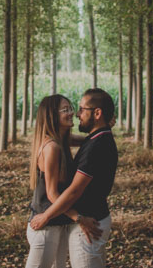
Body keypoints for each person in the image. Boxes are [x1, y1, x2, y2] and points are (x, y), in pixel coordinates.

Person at [30, 89, 118, 268]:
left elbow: (75, 190)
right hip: (51, 223)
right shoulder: (54, 145)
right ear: (52, 116)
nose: (75, 114)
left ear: (97, 113)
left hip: (68, 221)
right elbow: (54, 193)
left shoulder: (91, 144)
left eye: (78, 109)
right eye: (66, 110)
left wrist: (105, 126)